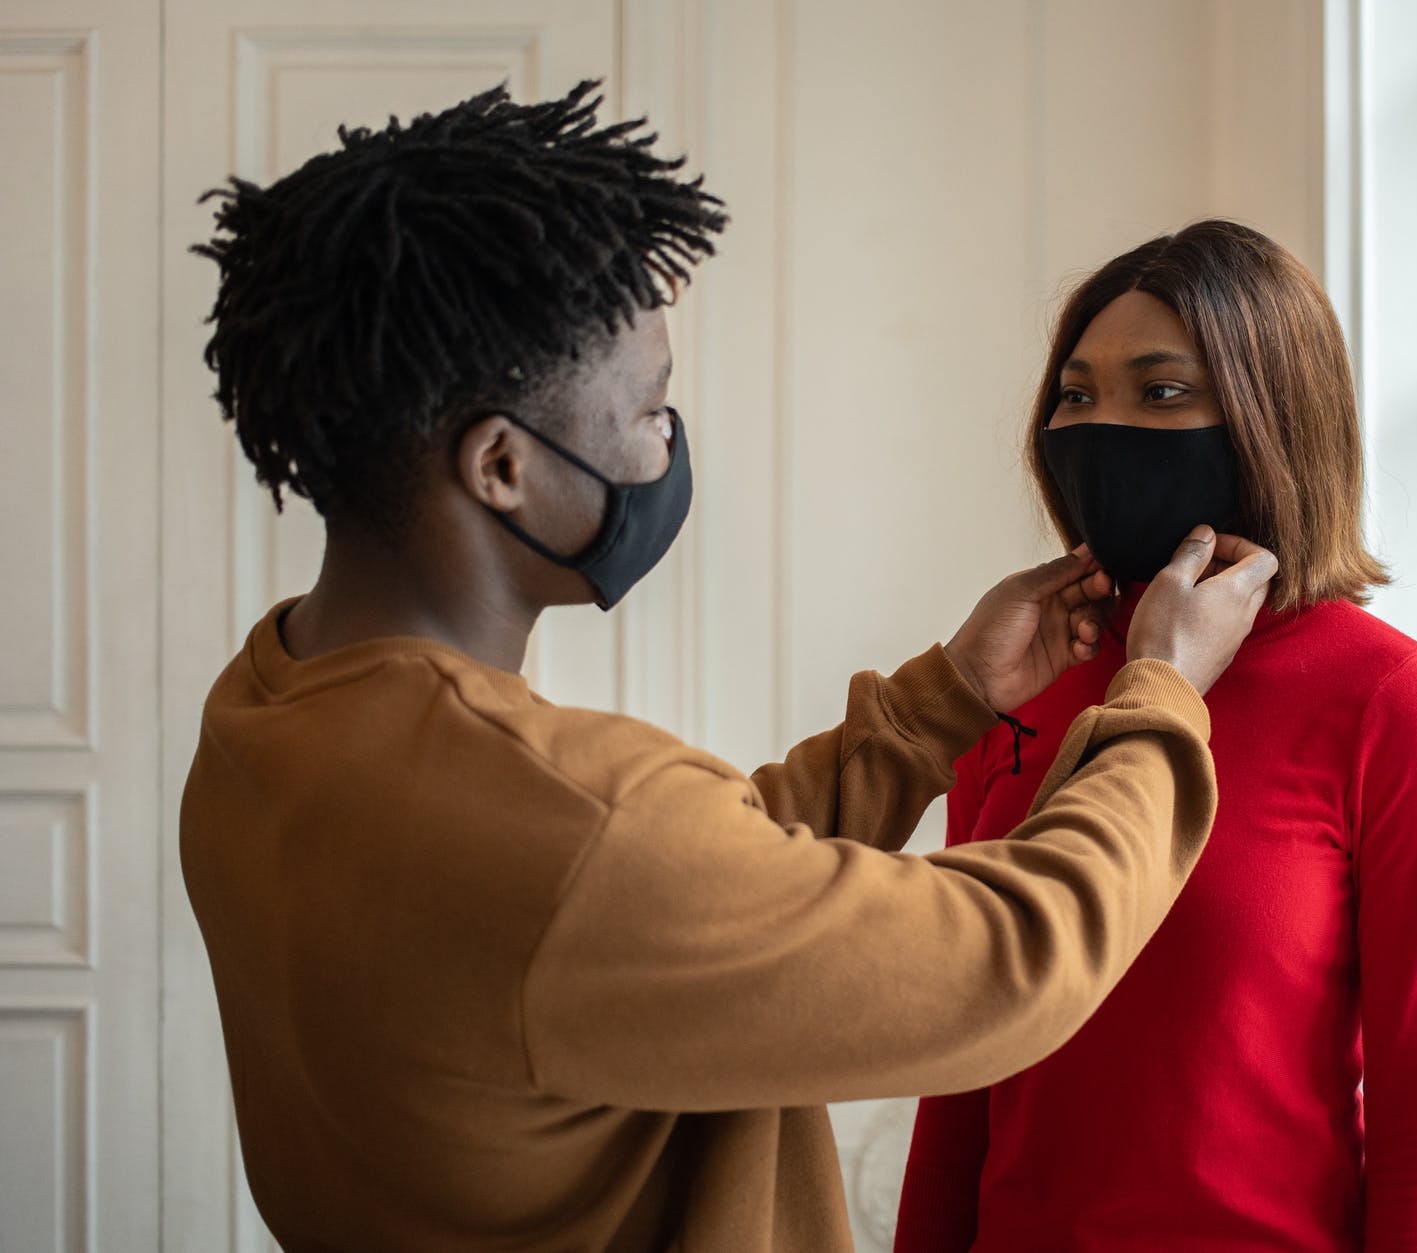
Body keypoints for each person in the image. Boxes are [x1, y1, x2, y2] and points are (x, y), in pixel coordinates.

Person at [179, 84, 1280, 1253]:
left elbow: (682, 891)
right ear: (500, 464)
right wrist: (1156, 690)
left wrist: (937, 703)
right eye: (649, 409)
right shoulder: (571, 830)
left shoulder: (265, 708)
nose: (667, 443)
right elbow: (1012, 957)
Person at [896, 221, 1417, 1253]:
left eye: (1159, 391)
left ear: (1272, 415)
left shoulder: (1393, 706)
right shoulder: (1027, 675)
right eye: (1075, 394)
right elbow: (963, 1074)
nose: (1100, 425)